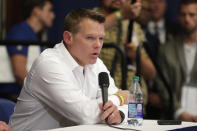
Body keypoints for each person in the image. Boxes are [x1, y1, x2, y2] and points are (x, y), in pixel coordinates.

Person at [9, 8, 129, 131]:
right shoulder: (49, 64)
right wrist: (118, 98)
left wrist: (119, 114)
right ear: (68, 38)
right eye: (90, 38)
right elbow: (84, 115)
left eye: (101, 38)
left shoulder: (96, 64)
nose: (98, 45)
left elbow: (125, 104)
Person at [96, 0, 156, 115]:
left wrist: (136, 55)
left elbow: (151, 74)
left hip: (135, 108)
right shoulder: (90, 18)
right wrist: (122, 14)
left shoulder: (133, 26)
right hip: (106, 106)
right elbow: (91, 30)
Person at [0, 0, 55, 101]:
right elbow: (20, 73)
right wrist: (42, 96)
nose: (53, 15)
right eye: (49, 10)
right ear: (36, 11)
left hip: (23, 95)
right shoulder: (21, 32)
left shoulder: (32, 34)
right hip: (12, 98)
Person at [156, 0, 197, 121]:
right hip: (174, 117)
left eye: (192, 15)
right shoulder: (166, 49)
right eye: (183, 14)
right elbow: (163, 86)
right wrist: (179, 112)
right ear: (178, 16)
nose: (187, 19)